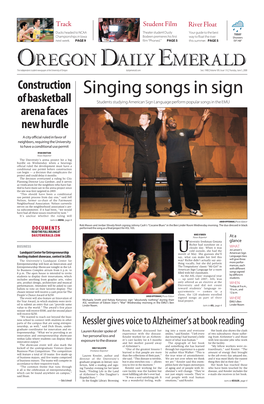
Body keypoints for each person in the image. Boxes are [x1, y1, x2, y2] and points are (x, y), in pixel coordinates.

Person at [104, 108, 164, 218]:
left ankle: (152, 210)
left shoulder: (153, 129)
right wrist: (111, 119)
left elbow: (159, 121)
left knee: (151, 187)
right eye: (140, 118)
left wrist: (160, 111)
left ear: (148, 121)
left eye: (143, 118)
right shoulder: (135, 130)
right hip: (139, 163)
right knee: (136, 187)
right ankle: (133, 210)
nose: (140, 119)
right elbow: (123, 127)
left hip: (151, 162)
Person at [160, 109, 211, 217]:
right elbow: (163, 137)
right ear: (167, 125)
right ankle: (176, 209)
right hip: (173, 165)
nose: (173, 121)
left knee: (190, 186)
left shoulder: (184, 131)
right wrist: (163, 121)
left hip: (187, 164)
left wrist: (202, 120)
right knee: (174, 188)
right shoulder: (167, 134)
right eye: (170, 120)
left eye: (174, 119)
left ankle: (194, 208)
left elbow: (197, 132)